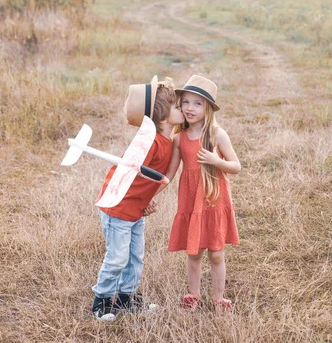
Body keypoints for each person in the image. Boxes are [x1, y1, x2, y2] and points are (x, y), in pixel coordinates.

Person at [91, 76, 184, 321]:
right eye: (177, 106)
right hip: (118, 207)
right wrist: (137, 198)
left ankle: (125, 298)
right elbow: (127, 173)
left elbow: (149, 179)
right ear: (163, 117)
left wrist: (146, 199)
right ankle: (101, 301)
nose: (182, 108)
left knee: (135, 257)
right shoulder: (149, 141)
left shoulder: (165, 140)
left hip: (135, 208)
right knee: (117, 257)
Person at [163, 74, 241, 314]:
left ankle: (219, 299)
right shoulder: (179, 138)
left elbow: (236, 166)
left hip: (214, 199)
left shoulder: (217, 134)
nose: (190, 108)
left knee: (216, 254)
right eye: (185, 102)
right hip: (190, 200)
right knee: (194, 253)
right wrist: (148, 193)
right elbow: (170, 173)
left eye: (197, 103)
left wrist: (216, 160)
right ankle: (193, 295)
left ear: (208, 108)